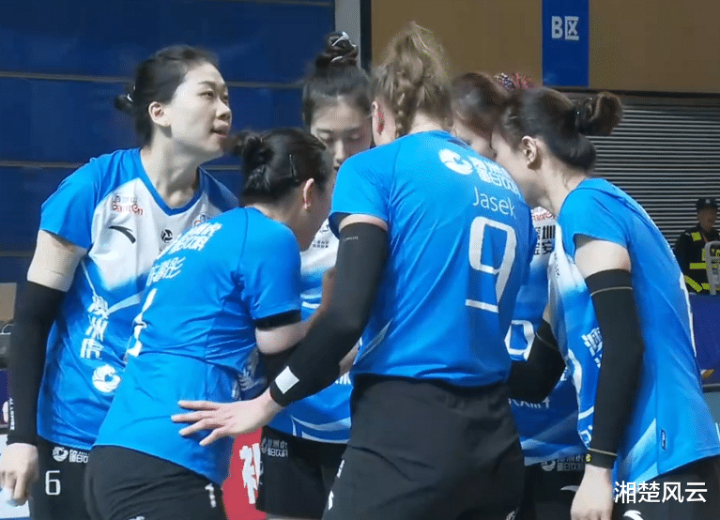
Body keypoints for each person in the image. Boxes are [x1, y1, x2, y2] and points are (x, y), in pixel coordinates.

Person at [174, 23, 536, 520]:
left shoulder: (377, 169)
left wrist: (266, 403)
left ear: (379, 115)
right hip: (495, 439)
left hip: (408, 429)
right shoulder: (506, 186)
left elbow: (346, 315)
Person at [0, 45, 238, 519]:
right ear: (159, 112)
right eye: (208, 94)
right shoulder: (92, 188)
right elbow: (31, 320)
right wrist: (21, 437)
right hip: (75, 432)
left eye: (227, 97)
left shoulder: (225, 215)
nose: (225, 110)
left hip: (163, 442)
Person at [492, 86, 720, 520]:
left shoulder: (589, 206)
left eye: (498, 155)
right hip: (640, 471)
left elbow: (625, 343)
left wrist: (597, 471)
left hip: (671, 465)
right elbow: (536, 378)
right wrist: (459, 357)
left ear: (529, 150)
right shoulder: (566, 251)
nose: (495, 170)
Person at [85, 128, 336, 520]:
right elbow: (286, 367)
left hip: (116, 454)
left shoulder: (202, 235)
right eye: (329, 195)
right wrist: (344, 325)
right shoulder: (271, 238)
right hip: (169, 462)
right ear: (308, 193)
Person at [452, 70, 586, 520]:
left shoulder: (566, 210)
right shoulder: (462, 210)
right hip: (492, 426)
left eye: (473, 144)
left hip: (560, 427)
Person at [257, 31, 372, 520]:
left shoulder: (391, 203)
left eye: (355, 136)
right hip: (291, 418)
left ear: (377, 124)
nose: (341, 152)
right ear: (306, 131)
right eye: (326, 139)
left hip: (365, 426)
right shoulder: (284, 205)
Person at [674, 197, 720, 294]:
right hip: (696, 295)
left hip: (717, 294)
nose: (710, 216)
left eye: (713, 212)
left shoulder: (718, 238)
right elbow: (677, 269)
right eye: (706, 213)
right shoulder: (687, 238)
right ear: (698, 215)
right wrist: (695, 288)